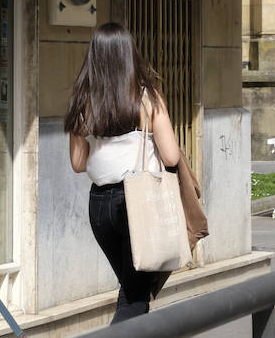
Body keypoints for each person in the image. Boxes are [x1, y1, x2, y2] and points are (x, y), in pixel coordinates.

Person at [65, 22, 181, 324]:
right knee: (135, 296)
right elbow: (171, 156)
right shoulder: (148, 98)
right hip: (139, 202)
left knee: (131, 288)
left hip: (100, 206)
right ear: (129, 54)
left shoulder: (84, 102)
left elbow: (78, 164)